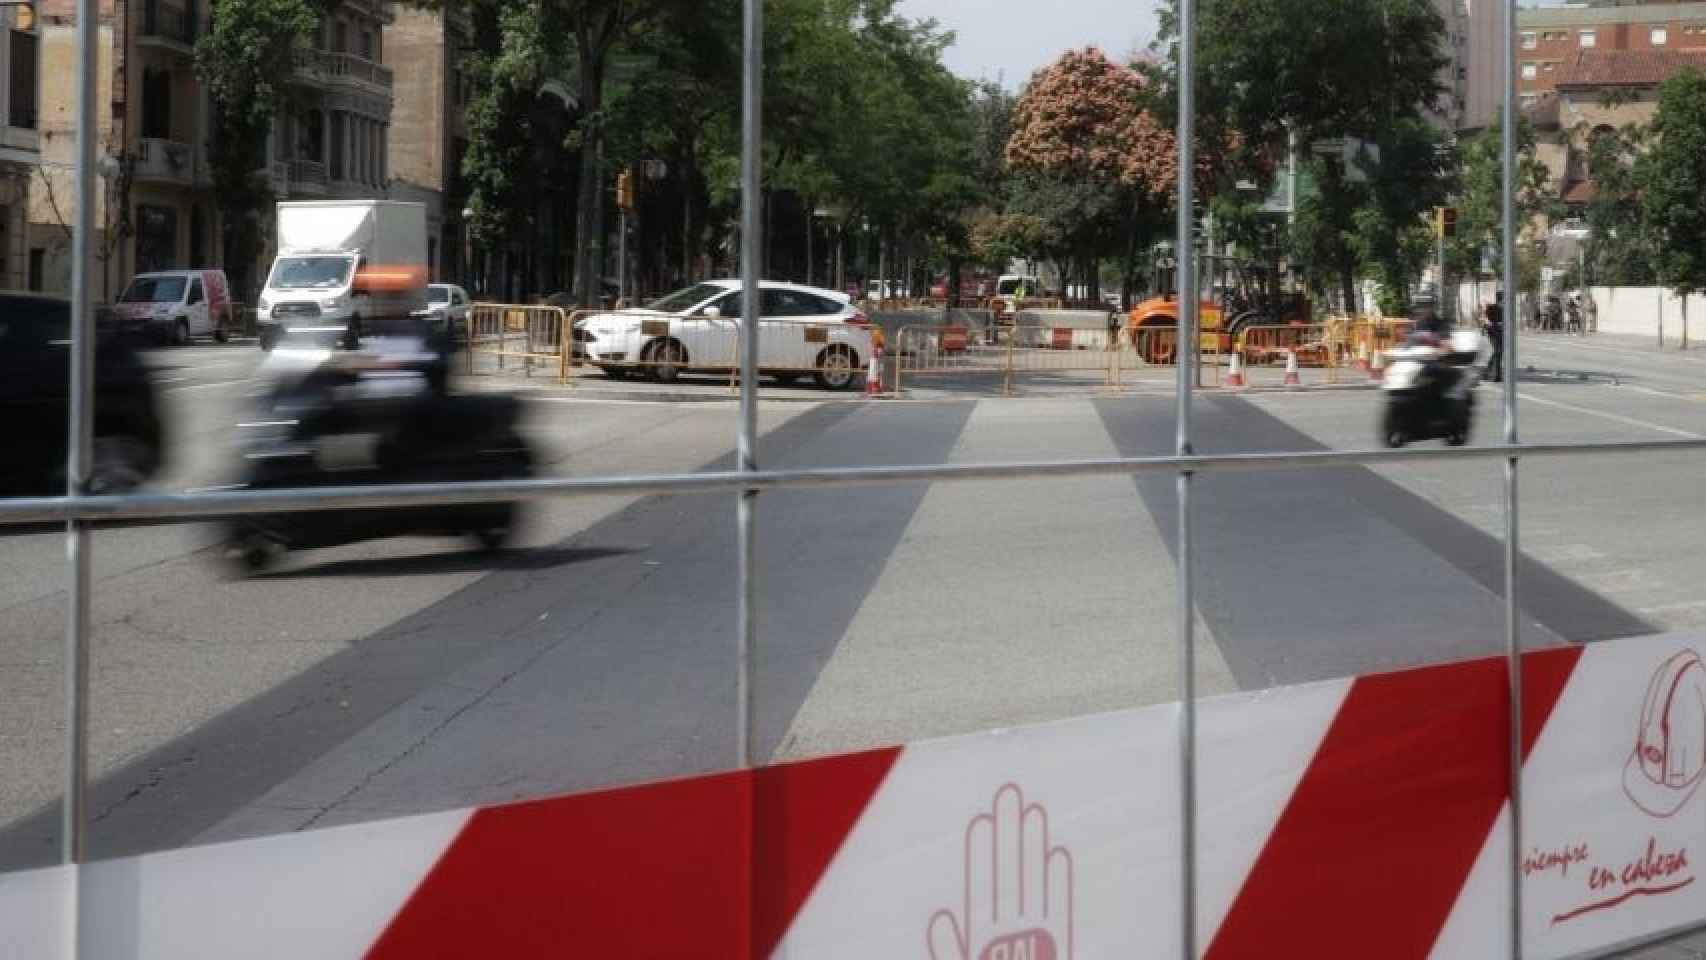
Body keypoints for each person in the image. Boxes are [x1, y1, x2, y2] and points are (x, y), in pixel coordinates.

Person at [1484, 293, 1505, 383]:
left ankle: (1489, 372)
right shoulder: (1492, 307)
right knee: (1498, 351)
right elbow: (1486, 319)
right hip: (1492, 332)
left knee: (1498, 352)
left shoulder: (1505, 309)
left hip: (1500, 332)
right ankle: (1496, 375)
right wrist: (1491, 323)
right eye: (1504, 300)